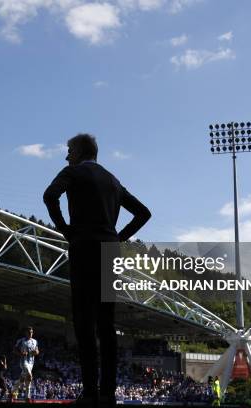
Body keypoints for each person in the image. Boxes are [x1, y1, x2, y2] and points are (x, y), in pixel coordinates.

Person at [43, 134, 151, 407]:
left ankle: (90, 392)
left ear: (79, 151)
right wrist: (118, 238)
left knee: (83, 321)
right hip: (108, 251)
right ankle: (108, 394)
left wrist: (66, 231)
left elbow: (49, 196)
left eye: (69, 150)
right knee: (106, 323)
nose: (67, 156)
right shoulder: (113, 180)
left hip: (83, 248)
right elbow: (143, 213)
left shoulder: (73, 172)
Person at [14, 326, 39, 401]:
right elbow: (14, 350)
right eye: (29, 332)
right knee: (29, 375)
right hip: (23, 361)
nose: (31, 333)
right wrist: (21, 353)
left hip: (31, 362)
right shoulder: (21, 341)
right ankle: (27, 396)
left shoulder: (35, 341)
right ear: (26, 333)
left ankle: (14, 389)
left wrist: (36, 352)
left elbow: (37, 351)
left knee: (24, 378)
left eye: (32, 332)